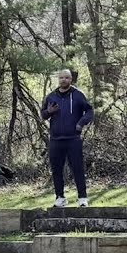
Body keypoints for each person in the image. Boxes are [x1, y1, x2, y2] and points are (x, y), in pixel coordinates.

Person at [41, 69, 94, 208]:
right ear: (58, 79)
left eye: (66, 78)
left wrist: (80, 123)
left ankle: (82, 198)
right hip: (56, 139)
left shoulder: (78, 95)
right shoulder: (51, 96)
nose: (64, 80)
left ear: (71, 79)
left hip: (73, 138)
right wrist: (49, 112)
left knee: (77, 168)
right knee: (56, 169)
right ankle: (60, 198)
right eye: (61, 78)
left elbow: (89, 111)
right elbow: (43, 114)